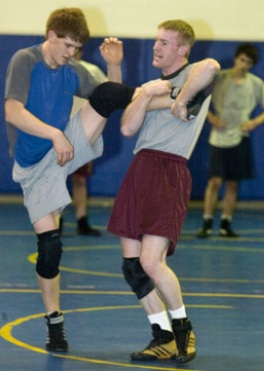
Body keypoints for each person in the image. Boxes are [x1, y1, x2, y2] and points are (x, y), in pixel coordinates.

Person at [4, 7, 172, 353]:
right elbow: (12, 111)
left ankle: (172, 101)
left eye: (77, 48)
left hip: (66, 145)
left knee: (107, 95)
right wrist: (55, 134)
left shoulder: (74, 69)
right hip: (35, 167)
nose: (71, 54)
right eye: (67, 45)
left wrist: (113, 63)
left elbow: (111, 96)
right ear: (51, 36)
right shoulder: (25, 59)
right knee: (50, 249)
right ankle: (54, 322)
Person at [107, 20, 220, 364]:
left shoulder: (196, 78)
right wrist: (147, 94)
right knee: (132, 267)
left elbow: (212, 66)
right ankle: (163, 336)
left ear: (182, 49)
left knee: (151, 262)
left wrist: (179, 98)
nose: (156, 47)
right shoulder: (150, 85)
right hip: (140, 169)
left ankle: (184, 329)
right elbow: (127, 126)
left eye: (164, 43)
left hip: (168, 170)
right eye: (155, 41)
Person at [196, 43, 264, 238]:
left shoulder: (255, 83)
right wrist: (211, 117)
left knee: (233, 183)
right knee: (214, 181)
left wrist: (255, 122)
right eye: (242, 60)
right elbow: (198, 97)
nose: (244, 65)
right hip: (218, 137)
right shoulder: (220, 78)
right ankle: (207, 222)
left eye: (248, 63)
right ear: (236, 58)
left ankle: (226, 223)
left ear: (252, 65)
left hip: (240, 137)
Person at [61, 47, 107, 236]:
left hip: (82, 133)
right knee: (56, 179)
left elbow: (107, 95)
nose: (74, 52)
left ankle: (82, 219)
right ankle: (56, 220)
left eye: (78, 48)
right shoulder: (56, 68)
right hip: (58, 131)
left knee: (80, 179)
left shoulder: (92, 71)